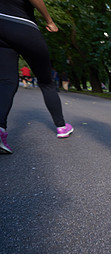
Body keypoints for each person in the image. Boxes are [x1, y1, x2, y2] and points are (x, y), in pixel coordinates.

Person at [0, 0, 73, 154]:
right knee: (46, 82)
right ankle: (61, 127)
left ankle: (0, 130)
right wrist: (49, 20)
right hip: (22, 24)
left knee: (6, 82)